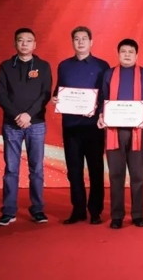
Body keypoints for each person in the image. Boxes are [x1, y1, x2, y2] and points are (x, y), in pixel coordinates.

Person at [53, 26, 109, 225]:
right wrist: (56, 99)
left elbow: (106, 95)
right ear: (72, 42)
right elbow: (58, 90)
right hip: (71, 126)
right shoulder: (64, 66)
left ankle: (95, 210)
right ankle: (78, 210)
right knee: (74, 170)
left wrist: (98, 110)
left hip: (94, 126)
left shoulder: (102, 66)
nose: (80, 42)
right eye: (76, 39)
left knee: (95, 169)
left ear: (91, 42)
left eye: (84, 38)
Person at [0, 28, 52, 226]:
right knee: (11, 169)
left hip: (36, 124)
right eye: (21, 40)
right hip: (12, 124)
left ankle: (37, 209)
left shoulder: (43, 66)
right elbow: (1, 95)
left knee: (36, 169)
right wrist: (17, 115)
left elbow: (45, 94)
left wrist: (29, 115)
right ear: (15, 43)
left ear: (35, 44)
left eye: (29, 41)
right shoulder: (5, 66)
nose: (25, 44)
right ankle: (8, 211)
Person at [98, 39, 143, 229]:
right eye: (123, 51)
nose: (127, 55)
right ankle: (117, 216)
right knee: (116, 175)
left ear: (137, 55)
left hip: (139, 131)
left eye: (131, 52)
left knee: (138, 175)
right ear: (118, 54)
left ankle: (138, 215)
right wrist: (101, 115)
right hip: (114, 131)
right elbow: (103, 98)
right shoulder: (109, 74)